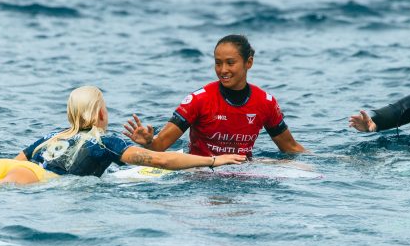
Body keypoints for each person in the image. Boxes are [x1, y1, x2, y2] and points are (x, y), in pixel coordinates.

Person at [0, 86, 246, 186]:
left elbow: (15, 162)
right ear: (100, 113)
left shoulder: (48, 136)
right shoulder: (105, 140)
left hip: (4, 164)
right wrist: (214, 160)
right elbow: (160, 159)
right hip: (38, 177)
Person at [124, 34, 307, 158]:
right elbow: (160, 146)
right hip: (200, 172)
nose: (223, 70)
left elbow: (290, 148)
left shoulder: (265, 102)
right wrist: (148, 142)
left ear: (248, 63)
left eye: (230, 63)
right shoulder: (199, 100)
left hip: (243, 172)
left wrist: (326, 162)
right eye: (218, 63)